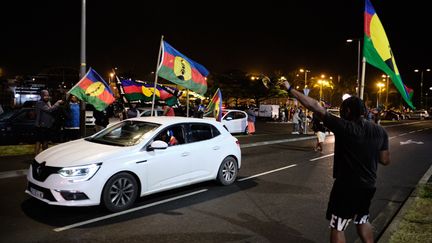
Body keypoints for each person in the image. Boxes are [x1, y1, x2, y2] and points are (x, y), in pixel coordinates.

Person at [283, 81, 390, 243]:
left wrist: (290, 89)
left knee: (338, 226)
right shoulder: (380, 131)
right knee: (362, 219)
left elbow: (315, 107)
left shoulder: (344, 127)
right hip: (368, 186)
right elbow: (385, 160)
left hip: (346, 186)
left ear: (347, 111)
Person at [34, 89, 63, 155]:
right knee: (39, 141)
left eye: (48, 95)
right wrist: (57, 103)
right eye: (45, 95)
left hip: (47, 125)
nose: (47, 97)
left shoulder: (47, 102)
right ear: (41, 96)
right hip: (40, 126)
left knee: (45, 141)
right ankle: (37, 157)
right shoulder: (40, 103)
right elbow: (50, 110)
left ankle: (44, 156)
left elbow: (51, 112)